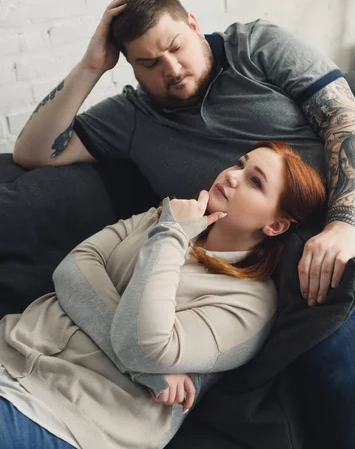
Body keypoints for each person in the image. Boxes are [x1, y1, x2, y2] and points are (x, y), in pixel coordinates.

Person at [12, 0, 355, 449]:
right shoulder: (132, 118)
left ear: (194, 25)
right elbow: (32, 152)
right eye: (149, 63)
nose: (171, 69)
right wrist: (92, 65)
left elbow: (344, 119)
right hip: (327, 280)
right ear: (130, 67)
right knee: (339, 374)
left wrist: (343, 224)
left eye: (176, 47)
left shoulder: (255, 46)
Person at [0, 141, 326, 449]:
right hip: (10, 351)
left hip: (69, 417)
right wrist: (146, 370)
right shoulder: (162, 216)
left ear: (276, 226)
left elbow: (144, 344)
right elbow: (71, 272)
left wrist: (172, 237)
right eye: (240, 164)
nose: (232, 175)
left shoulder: (250, 304)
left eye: (255, 181)